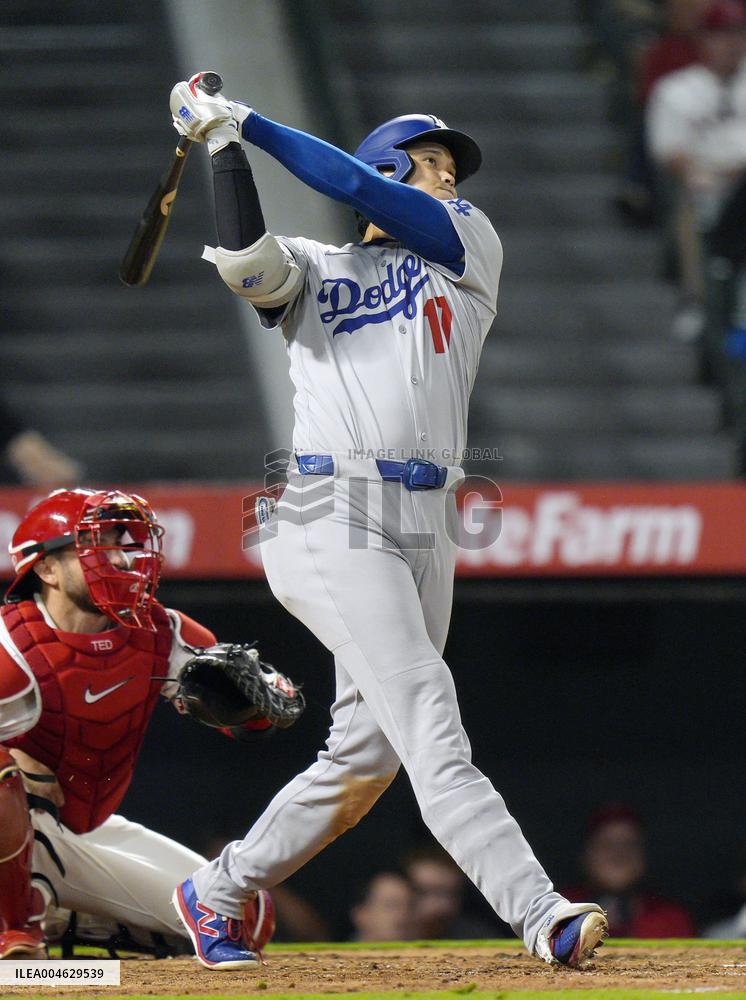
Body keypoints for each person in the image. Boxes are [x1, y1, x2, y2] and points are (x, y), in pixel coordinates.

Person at [166, 72, 609, 971]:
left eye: (451, 166)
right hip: (328, 512)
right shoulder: (316, 267)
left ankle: (215, 890)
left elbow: (356, 189)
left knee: (366, 757)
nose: (451, 179)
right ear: (390, 163)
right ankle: (541, 912)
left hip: (428, 516)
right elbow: (248, 257)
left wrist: (245, 119)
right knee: (427, 712)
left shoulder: (467, 246)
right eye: (433, 163)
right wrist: (222, 148)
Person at [0, 487, 302, 961]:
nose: (119, 559)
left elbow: (254, 726)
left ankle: (53, 919)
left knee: (241, 916)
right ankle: (15, 931)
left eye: (121, 544)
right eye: (95, 545)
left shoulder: (161, 632)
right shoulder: (9, 643)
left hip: (82, 826)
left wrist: (253, 708)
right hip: (17, 826)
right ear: (46, 568)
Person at [647, 0, 746, 340]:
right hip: (709, 189)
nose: (732, 43)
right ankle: (699, 301)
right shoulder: (677, 90)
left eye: (739, 34)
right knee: (693, 201)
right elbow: (669, 151)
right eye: (722, 35)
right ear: (703, 40)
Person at [562, 805, 696, 938]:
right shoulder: (560, 912)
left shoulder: (670, 919)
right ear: (585, 855)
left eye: (630, 844)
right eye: (607, 844)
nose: (619, 854)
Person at [402, 844, 506, 940]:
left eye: (448, 894)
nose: (440, 906)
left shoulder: (477, 939)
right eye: (424, 892)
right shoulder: (390, 932)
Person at [349, 871, 417, 943]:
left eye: (410, 906)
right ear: (362, 914)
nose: (403, 913)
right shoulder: (338, 953)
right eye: (391, 905)